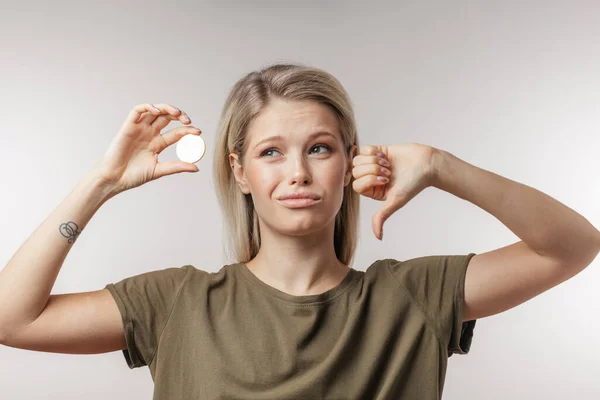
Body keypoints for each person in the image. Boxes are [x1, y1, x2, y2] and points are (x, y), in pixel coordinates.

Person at [0, 63, 478, 399]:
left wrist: (439, 167)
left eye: (319, 148)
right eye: (271, 152)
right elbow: (12, 319)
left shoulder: (415, 295)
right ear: (240, 171)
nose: (298, 172)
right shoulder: (176, 303)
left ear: (349, 160)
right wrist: (100, 183)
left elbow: (556, 249)